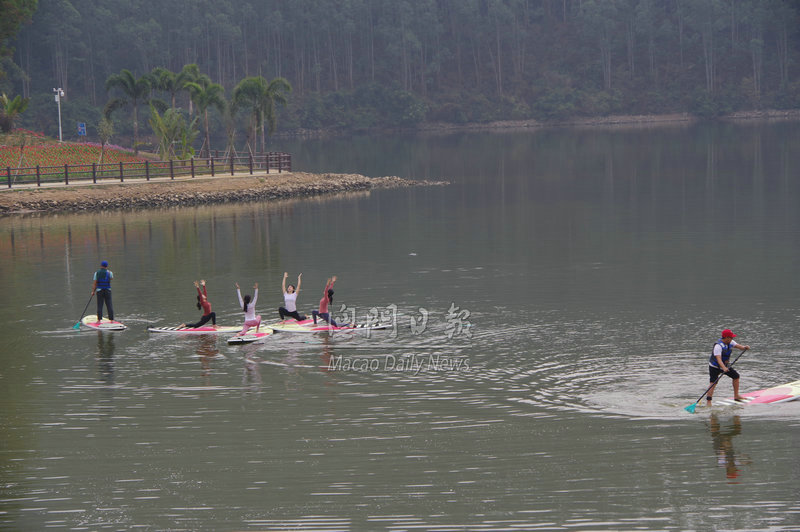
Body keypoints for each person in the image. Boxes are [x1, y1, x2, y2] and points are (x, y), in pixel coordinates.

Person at [707, 329, 750, 406]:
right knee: (713, 383)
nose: (732, 339)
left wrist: (744, 347)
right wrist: (723, 368)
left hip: (725, 365)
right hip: (714, 367)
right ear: (726, 337)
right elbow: (718, 359)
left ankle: (736, 396)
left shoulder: (730, 342)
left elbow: (738, 346)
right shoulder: (718, 346)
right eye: (731, 337)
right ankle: (709, 402)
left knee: (736, 376)